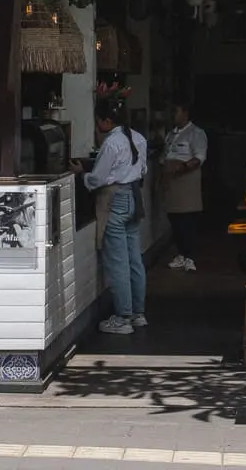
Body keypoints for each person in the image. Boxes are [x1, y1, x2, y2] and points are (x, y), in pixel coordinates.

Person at [80, 99, 149, 335]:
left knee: (118, 262)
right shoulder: (139, 138)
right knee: (134, 259)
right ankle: (138, 313)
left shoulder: (111, 143)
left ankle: (123, 317)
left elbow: (98, 178)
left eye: (98, 120)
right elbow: (143, 170)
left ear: (107, 121)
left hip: (115, 200)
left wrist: (82, 175)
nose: (97, 125)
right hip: (134, 197)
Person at [160, 102, 207, 272]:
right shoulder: (171, 134)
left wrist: (181, 167)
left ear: (185, 113)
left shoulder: (196, 133)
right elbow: (165, 155)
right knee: (174, 218)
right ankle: (181, 253)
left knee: (187, 218)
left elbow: (199, 157)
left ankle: (189, 256)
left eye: (176, 111)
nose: (173, 115)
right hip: (171, 181)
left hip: (186, 179)